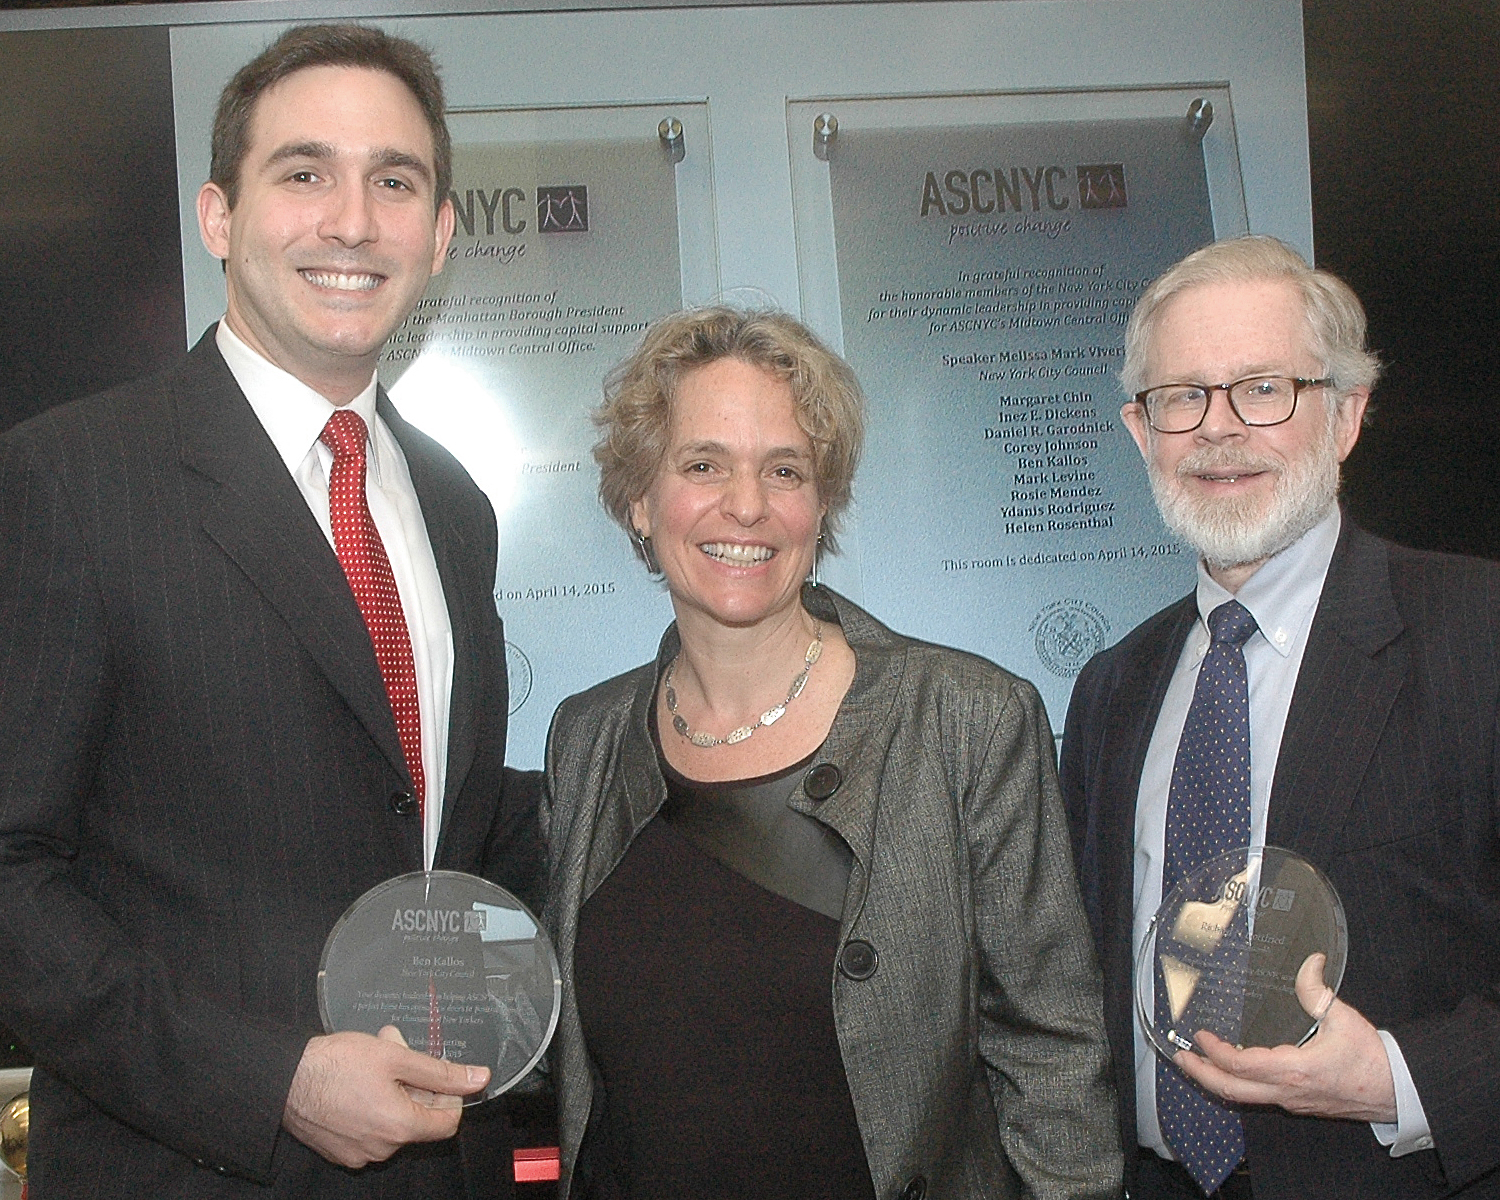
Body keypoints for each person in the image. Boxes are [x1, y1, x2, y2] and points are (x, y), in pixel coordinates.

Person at [0, 24, 537, 1197]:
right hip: (194, 1162)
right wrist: (269, 1078)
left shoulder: (455, 505)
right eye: (304, 173)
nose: (352, 220)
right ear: (220, 217)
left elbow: (447, 838)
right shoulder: (68, 479)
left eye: (394, 181)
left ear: (441, 235)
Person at [541, 306, 1121, 1200]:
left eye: (785, 470)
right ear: (639, 499)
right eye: (703, 465)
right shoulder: (587, 738)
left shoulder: (966, 720)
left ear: (822, 504)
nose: (748, 506)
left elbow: (1053, 1058)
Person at [1060, 235, 1500, 1199]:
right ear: (1142, 431)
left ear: (1345, 416)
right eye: (1184, 397)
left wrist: (1400, 1079)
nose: (1219, 430)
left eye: (1264, 389)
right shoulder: (1110, 691)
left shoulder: (1477, 634)